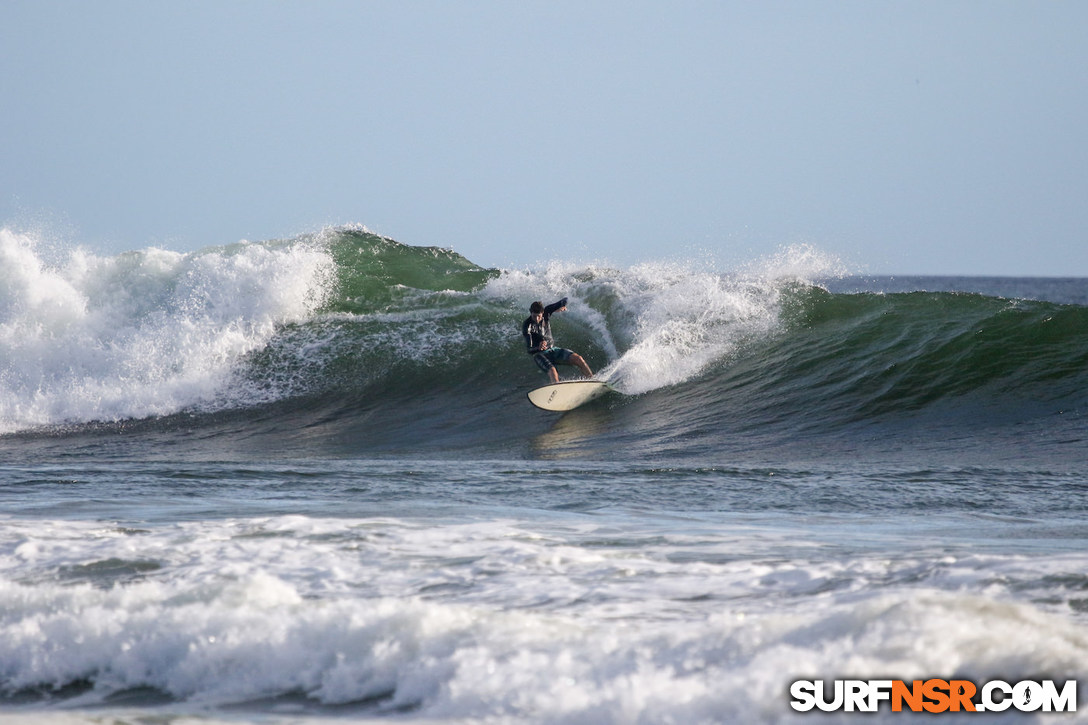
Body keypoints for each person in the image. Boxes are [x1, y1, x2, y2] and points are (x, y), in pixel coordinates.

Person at [521, 297, 593, 384]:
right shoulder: (527, 325)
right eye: (534, 316)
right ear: (531, 313)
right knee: (553, 371)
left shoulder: (546, 312)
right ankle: (556, 391)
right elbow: (529, 349)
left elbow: (565, 300)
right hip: (539, 355)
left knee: (578, 359)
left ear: (542, 313)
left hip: (553, 350)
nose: (536, 319)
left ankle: (592, 380)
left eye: (539, 316)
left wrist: (559, 307)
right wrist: (538, 348)